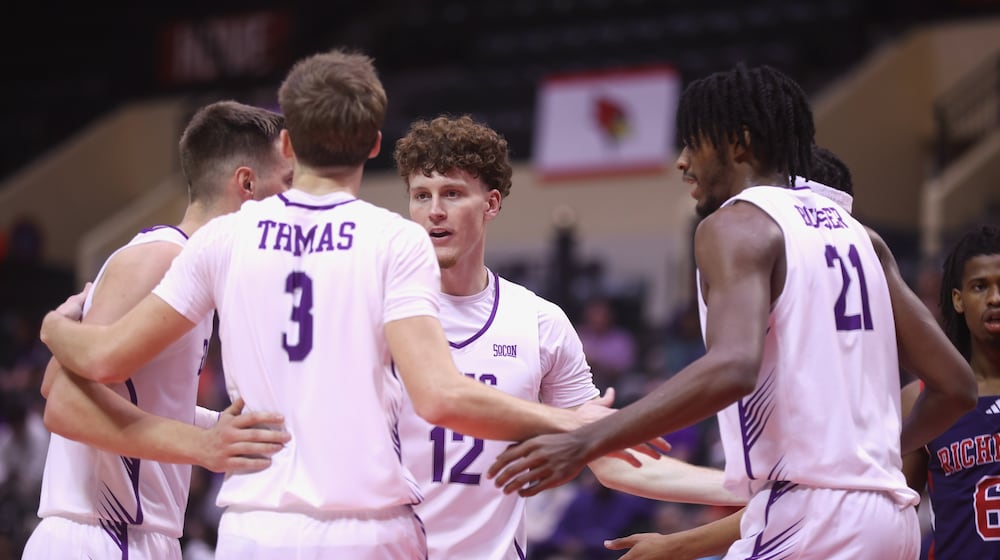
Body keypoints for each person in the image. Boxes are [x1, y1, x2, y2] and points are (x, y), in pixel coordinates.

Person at [37, 48, 629, 559]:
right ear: (374, 143)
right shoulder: (394, 239)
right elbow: (441, 395)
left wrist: (52, 328)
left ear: (290, 142)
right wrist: (571, 419)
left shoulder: (225, 238)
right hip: (363, 528)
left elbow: (105, 359)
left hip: (255, 528)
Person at [489, 64, 977, 559]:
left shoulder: (737, 225)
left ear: (739, 144)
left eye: (693, 144)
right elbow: (957, 387)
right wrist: (872, 457)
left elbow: (732, 368)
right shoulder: (864, 238)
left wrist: (585, 440)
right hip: (889, 518)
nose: (682, 162)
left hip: (809, 516)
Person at [392, 115, 738, 560]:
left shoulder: (539, 321)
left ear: (491, 203)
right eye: (421, 196)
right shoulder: (378, 310)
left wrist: (741, 487)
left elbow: (608, 458)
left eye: (452, 194)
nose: (434, 211)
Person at [22, 100, 295, 560]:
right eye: (287, 185)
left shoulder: (193, 270)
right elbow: (63, 398)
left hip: (138, 536)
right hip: (100, 533)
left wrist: (216, 423)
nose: (293, 205)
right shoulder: (160, 256)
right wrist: (202, 445)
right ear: (246, 183)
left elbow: (131, 393)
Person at [901, 224, 1000, 559]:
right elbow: (894, 514)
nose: (995, 297)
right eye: (980, 286)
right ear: (958, 299)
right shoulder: (922, 399)